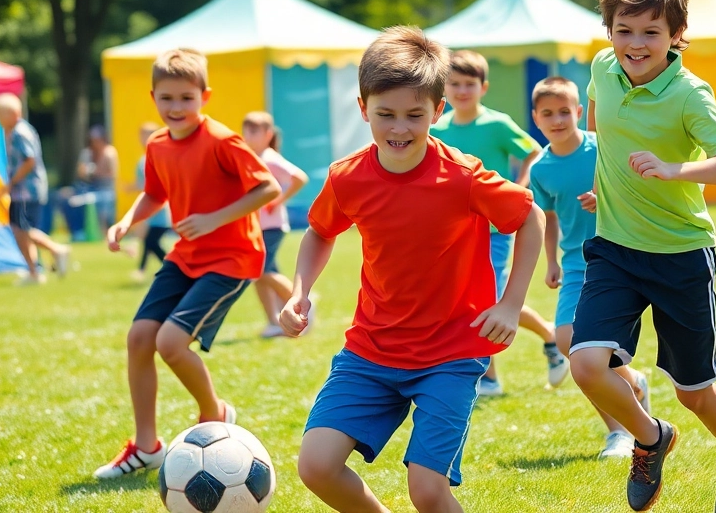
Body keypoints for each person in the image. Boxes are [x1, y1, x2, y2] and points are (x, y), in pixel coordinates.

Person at [281, 26, 543, 513]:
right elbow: (320, 231)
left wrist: (510, 305)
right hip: (372, 350)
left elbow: (530, 217)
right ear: (363, 108)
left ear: (438, 111)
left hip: (451, 353)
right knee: (316, 466)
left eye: (414, 115)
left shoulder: (462, 176)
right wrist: (300, 291)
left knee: (427, 490)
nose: (399, 128)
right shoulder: (348, 177)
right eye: (385, 115)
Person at [566, 0, 716, 513]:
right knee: (586, 364)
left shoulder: (691, 95)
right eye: (624, 30)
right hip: (616, 250)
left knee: (693, 391)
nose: (635, 43)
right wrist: (610, 187)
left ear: (677, 35)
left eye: (651, 31)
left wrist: (674, 171)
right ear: (609, 32)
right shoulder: (602, 68)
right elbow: (602, 129)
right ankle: (650, 438)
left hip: (681, 256)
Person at [94, 48, 279, 480]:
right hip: (187, 257)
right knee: (141, 337)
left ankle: (214, 413)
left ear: (204, 96)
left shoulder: (222, 141)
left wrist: (215, 218)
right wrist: (126, 221)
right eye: (167, 98)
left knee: (170, 343)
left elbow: (267, 188)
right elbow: (155, 194)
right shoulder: (157, 144)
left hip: (232, 259)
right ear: (153, 97)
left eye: (186, 98)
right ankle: (146, 448)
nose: (176, 108)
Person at [430, 49, 566, 396]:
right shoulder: (439, 127)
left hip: (494, 229)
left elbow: (534, 151)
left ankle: (489, 377)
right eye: (455, 84)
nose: (462, 91)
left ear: (483, 87)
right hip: (453, 231)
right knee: (469, 302)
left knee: (486, 299)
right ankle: (546, 336)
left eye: (469, 84)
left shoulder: (497, 123)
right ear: (444, 88)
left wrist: (517, 188)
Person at [528, 76, 650, 460]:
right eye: (548, 113)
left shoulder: (602, 148)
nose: (557, 119)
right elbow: (547, 219)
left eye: (565, 111)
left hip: (617, 256)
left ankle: (620, 432)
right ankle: (632, 385)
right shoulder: (541, 169)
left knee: (591, 352)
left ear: (579, 112)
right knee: (565, 338)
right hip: (575, 264)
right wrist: (550, 262)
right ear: (536, 118)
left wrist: (604, 196)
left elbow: (633, 186)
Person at [240, 111, 310, 338]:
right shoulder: (253, 158)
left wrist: (279, 200)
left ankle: (303, 304)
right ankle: (274, 321)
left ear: (267, 134)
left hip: (272, 227)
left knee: (259, 270)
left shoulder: (270, 158)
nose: (248, 136)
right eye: (246, 131)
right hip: (257, 227)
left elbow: (299, 177)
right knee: (259, 274)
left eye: (253, 131)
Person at [0, 93, 70, 283]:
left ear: (11, 113)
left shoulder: (20, 133)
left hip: (26, 191)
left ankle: (55, 252)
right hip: (24, 190)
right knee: (20, 228)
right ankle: (35, 270)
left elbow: (29, 161)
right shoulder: (15, 131)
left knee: (22, 229)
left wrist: (10, 183)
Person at [126, 122, 173, 282]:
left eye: (146, 135)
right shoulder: (145, 159)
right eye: (142, 135)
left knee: (150, 241)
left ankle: (173, 269)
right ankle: (142, 270)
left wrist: (133, 188)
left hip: (157, 209)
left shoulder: (155, 158)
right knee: (148, 241)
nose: (143, 139)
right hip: (151, 208)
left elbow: (154, 185)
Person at [76, 125, 120, 234]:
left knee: (105, 210)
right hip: (88, 186)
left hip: (106, 188)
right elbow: (80, 171)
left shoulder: (110, 152)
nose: (95, 142)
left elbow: (113, 173)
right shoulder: (87, 153)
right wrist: (87, 171)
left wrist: (96, 172)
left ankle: (106, 233)